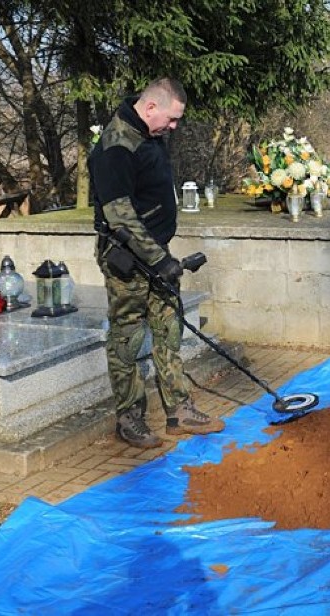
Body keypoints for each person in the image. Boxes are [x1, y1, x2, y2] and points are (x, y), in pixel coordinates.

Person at [88, 77, 224, 448]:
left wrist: (163, 257)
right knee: (127, 339)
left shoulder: (150, 136)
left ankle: (179, 411)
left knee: (168, 331)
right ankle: (130, 419)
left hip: (157, 254)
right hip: (127, 261)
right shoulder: (116, 147)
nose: (175, 127)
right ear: (151, 108)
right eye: (173, 119)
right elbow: (120, 216)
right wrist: (161, 259)